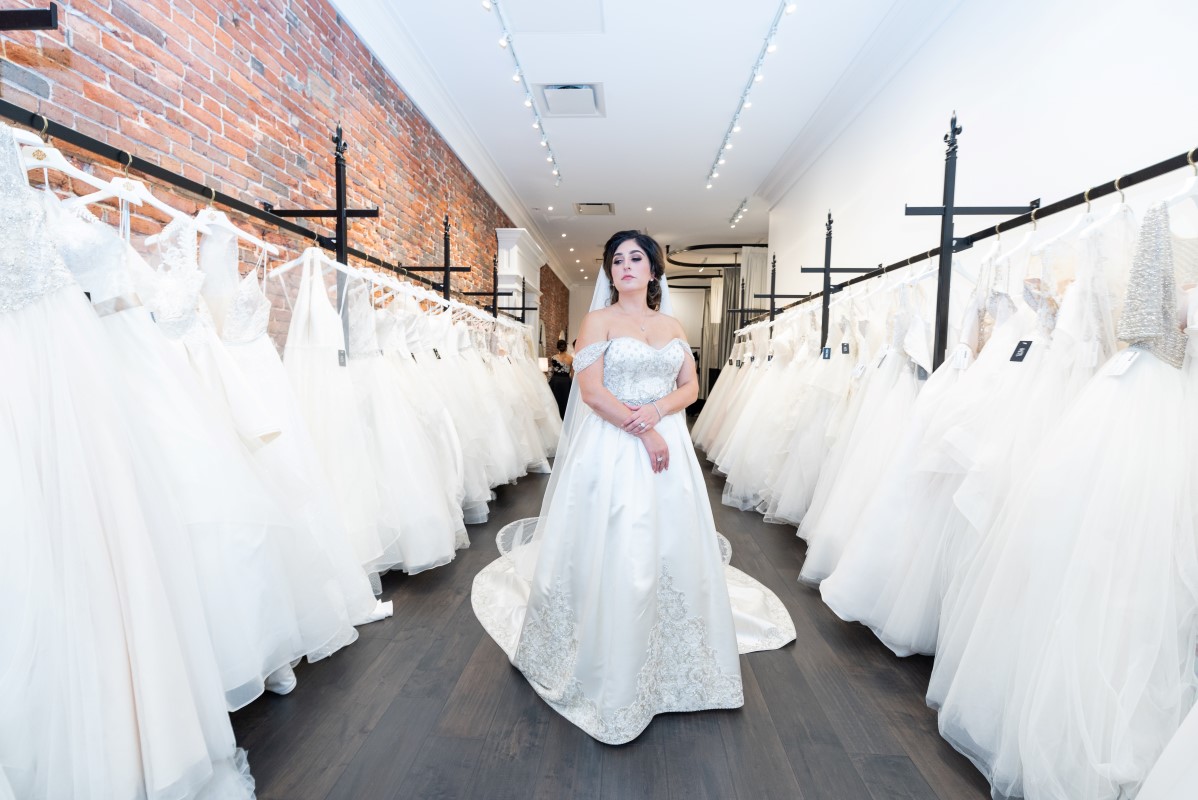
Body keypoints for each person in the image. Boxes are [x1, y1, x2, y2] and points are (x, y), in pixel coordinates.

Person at [471, 229, 795, 745]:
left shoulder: (670, 324)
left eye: (635, 258)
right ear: (610, 272)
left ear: (652, 270)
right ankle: (608, 638)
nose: (625, 266)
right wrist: (643, 431)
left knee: (669, 540)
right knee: (618, 538)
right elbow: (593, 392)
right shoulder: (597, 320)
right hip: (613, 447)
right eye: (616, 260)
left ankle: (672, 644)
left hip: (666, 443)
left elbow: (690, 386)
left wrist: (658, 414)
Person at [547, 338, 572, 419]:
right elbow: (572, 374)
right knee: (565, 401)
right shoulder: (571, 358)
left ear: (557, 347)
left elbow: (551, 371)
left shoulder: (553, 358)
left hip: (556, 381)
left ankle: (556, 419)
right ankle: (565, 419)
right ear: (566, 347)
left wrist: (548, 381)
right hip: (566, 382)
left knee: (555, 401)